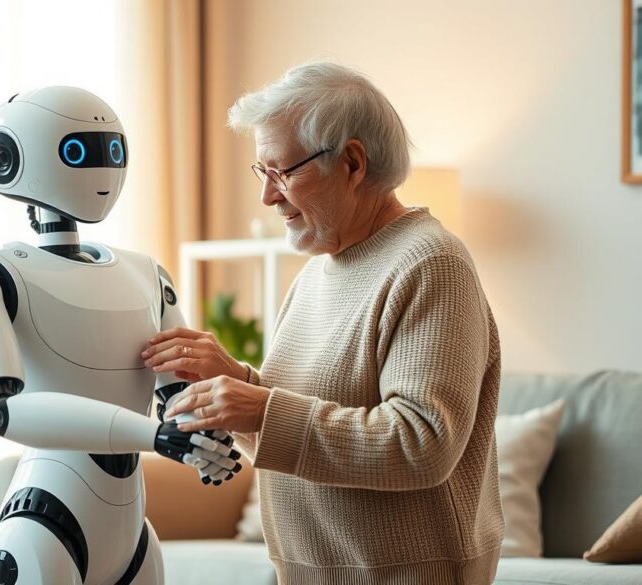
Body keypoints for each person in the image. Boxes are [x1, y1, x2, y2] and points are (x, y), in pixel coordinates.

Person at [141, 62, 503, 584]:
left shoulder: (431, 262)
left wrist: (260, 405)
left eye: (282, 171)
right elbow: (293, 433)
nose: (268, 196)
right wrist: (237, 385)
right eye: (260, 173)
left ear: (352, 162)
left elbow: (422, 443)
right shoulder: (318, 271)